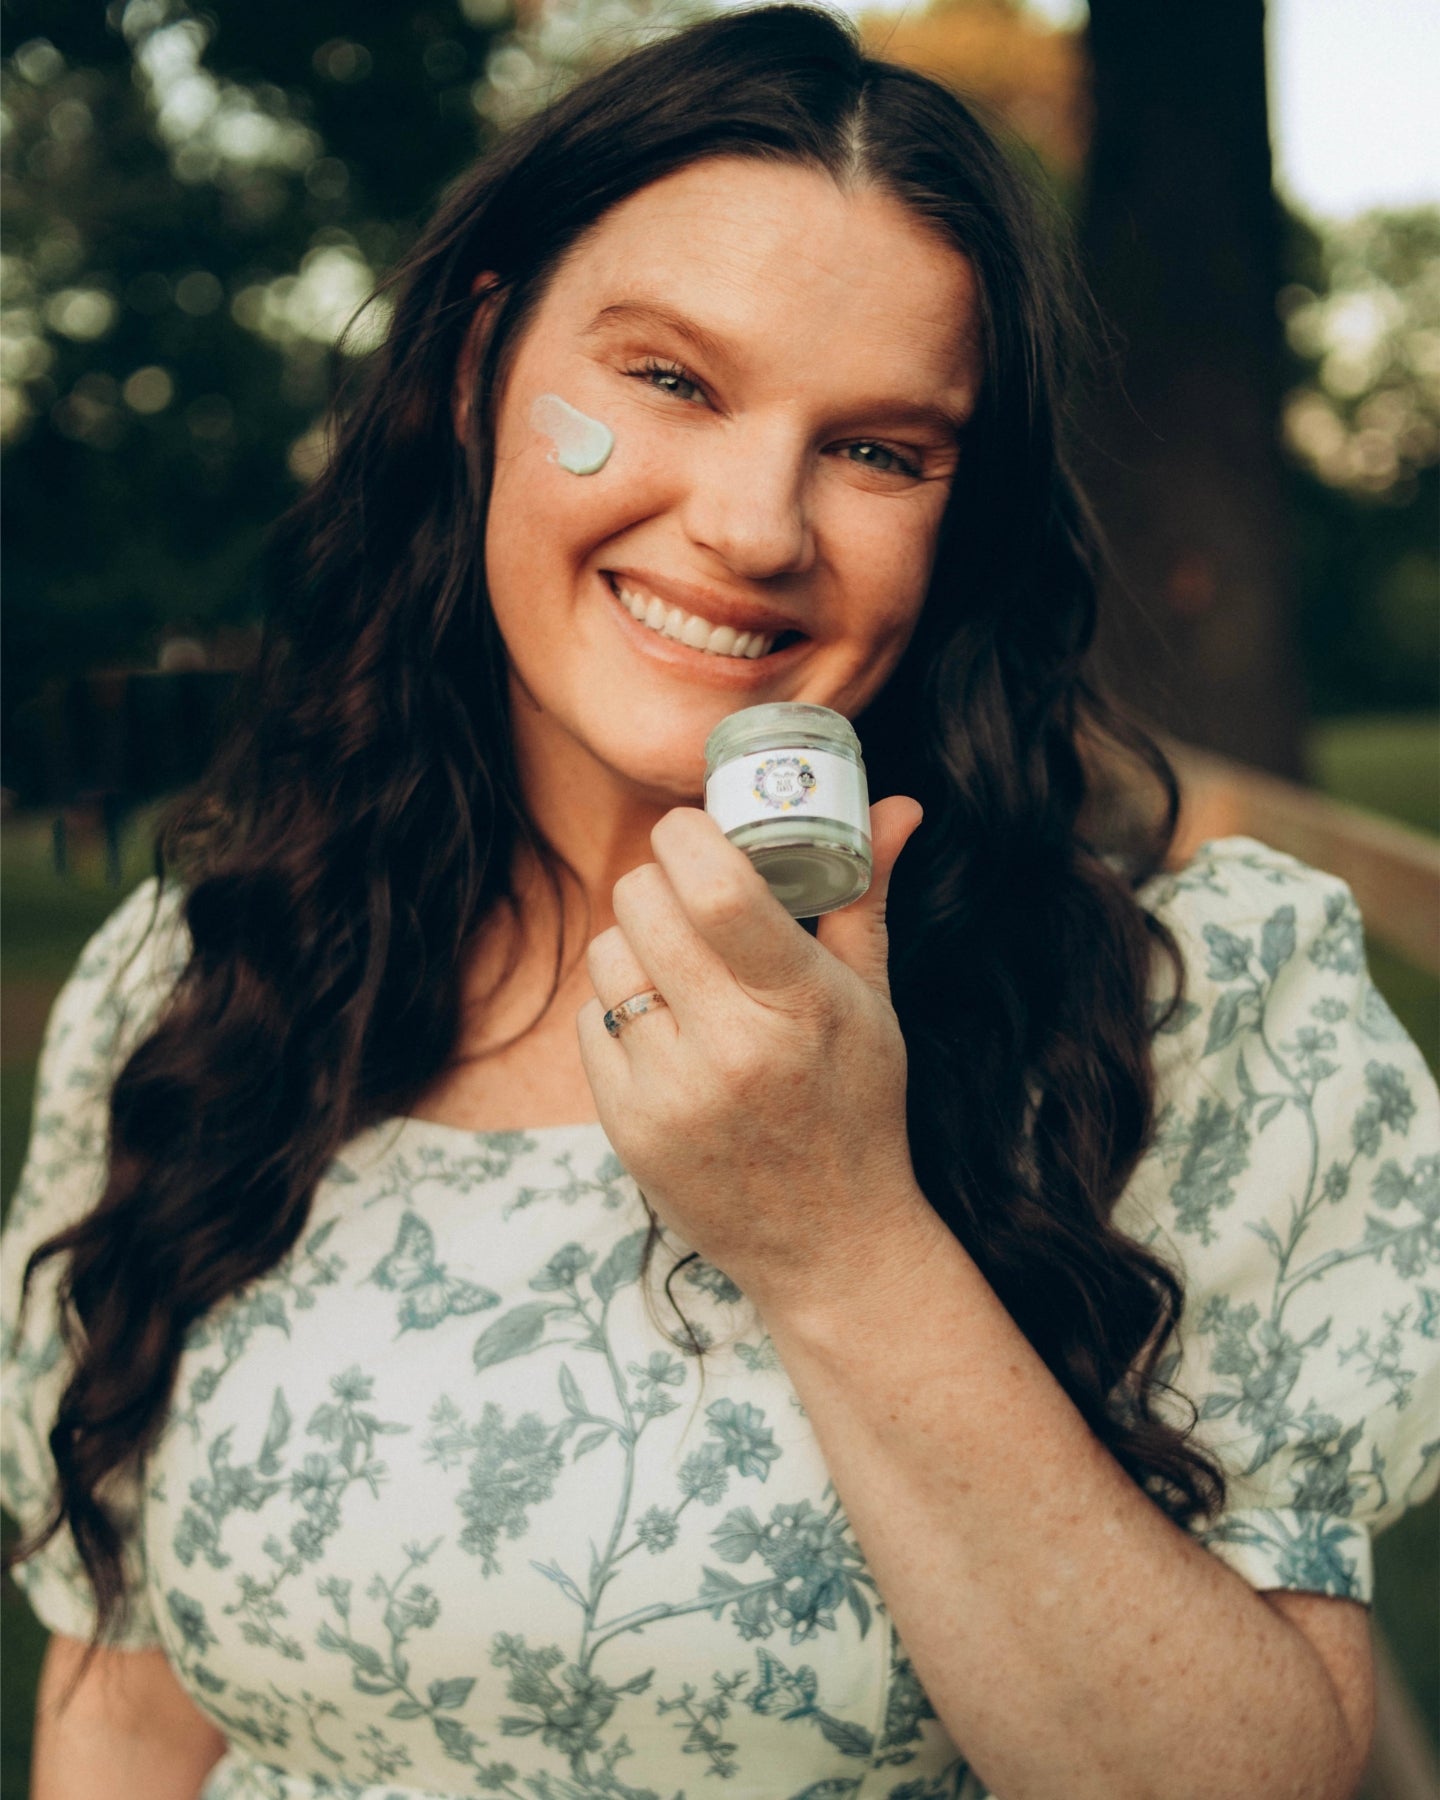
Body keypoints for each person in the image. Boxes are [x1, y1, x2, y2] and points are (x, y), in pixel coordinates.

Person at [4, 8, 1436, 1798]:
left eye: (882, 449)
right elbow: (126, 1712)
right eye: (671, 380)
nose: (756, 526)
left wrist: (841, 1237)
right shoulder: (204, 986)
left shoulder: (1187, 1007)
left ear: (960, 509)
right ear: (477, 372)